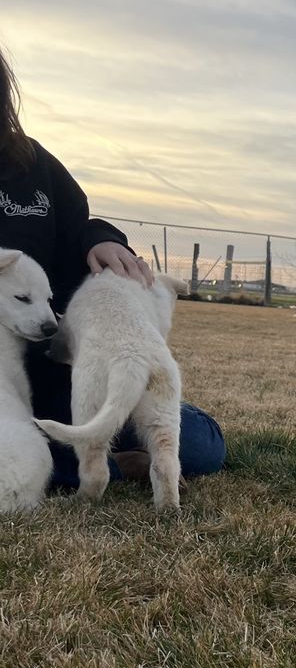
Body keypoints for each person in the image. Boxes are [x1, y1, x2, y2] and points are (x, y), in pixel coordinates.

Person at [0, 46, 225, 488]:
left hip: (59, 369)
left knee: (201, 446)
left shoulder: (30, 162)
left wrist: (101, 239)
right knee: (27, 456)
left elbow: (78, 226)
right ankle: (102, 463)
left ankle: (90, 448)